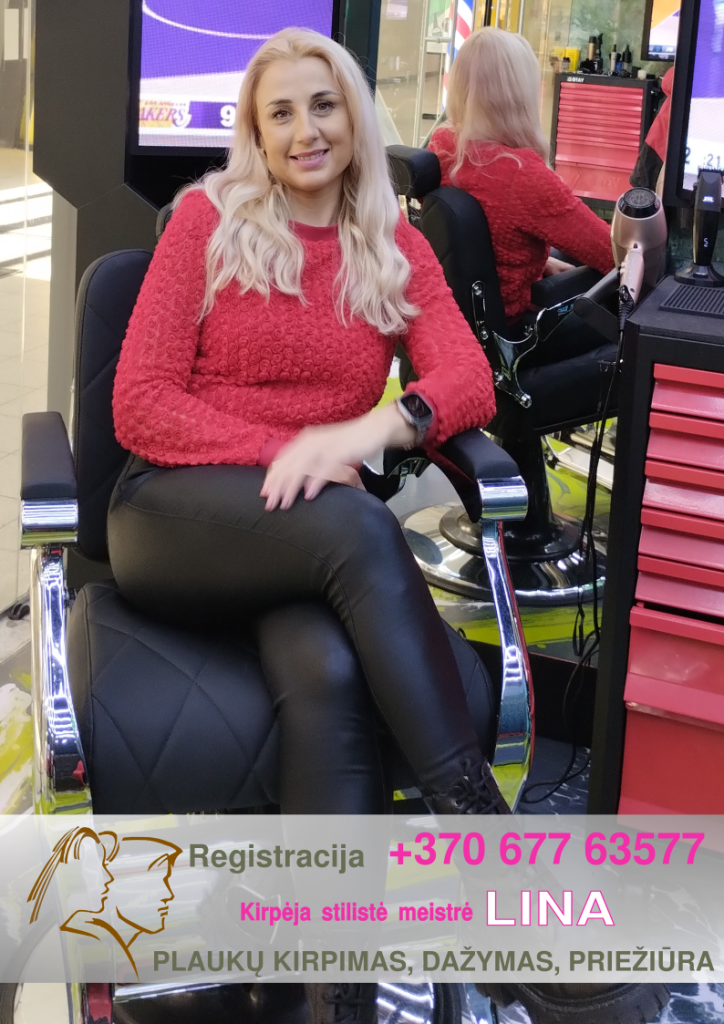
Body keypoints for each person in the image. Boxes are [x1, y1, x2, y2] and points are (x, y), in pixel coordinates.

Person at [110, 26, 507, 1024]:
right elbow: (141, 403)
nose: (305, 130)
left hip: (301, 534)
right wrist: (285, 451)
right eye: (279, 113)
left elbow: (468, 377)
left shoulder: (391, 241)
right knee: (360, 528)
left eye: (322, 105)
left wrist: (375, 427)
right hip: (172, 512)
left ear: (355, 116)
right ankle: (490, 859)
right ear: (255, 132)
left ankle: (323, 993)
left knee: (327, 670)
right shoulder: (205, 221)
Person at [428, 27, 616, 364]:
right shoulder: (523, 175)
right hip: (516, 339)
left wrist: (541, 262)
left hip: (454, 326)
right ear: (519, 96)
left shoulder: (442, 147)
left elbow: (481, 242)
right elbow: (614, 254)